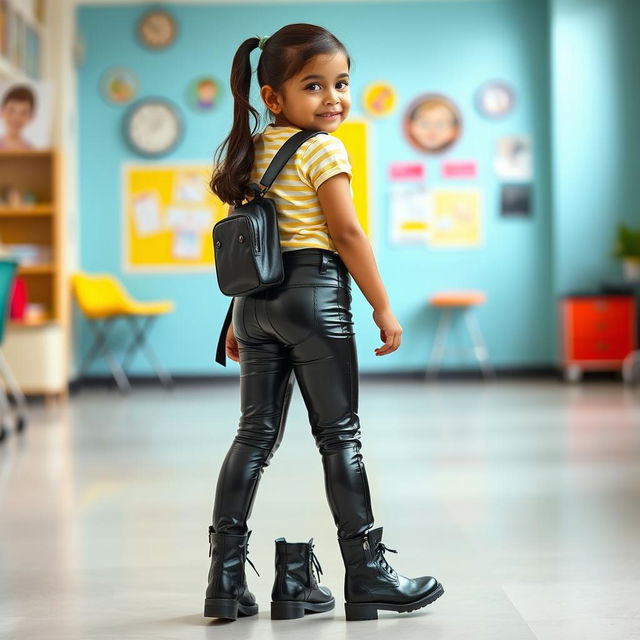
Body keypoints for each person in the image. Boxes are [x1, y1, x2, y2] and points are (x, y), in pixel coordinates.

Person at [205, 23, 445, 622]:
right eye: (315, 85)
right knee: (339, 436)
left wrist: (237, 319)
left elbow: (250, 241)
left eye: (341, 83)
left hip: (255, 304)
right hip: (314, 299)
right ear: (274, 97)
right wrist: (382, 305)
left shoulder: (246, 151)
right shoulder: (322, 148)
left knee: (254, 435)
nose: (333, 97)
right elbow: (346, 234)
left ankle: (225, 581)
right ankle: (366, 574)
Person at [0, 85, 36, 151]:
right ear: (1, 112)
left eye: (23, 113)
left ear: (31, 117)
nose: (16, 118)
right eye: (11, 110)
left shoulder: (32, 151)